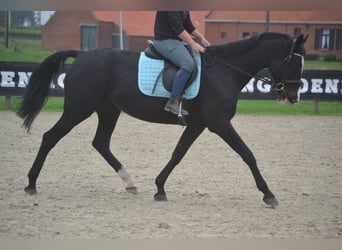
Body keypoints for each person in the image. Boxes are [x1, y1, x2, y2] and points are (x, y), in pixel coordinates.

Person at [153, 11, 210, 116]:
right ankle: (173, 101)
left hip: (177, 40)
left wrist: (201, 38)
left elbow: (188, 25)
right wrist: (193, 44)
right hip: (164, 40)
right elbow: (177, 27)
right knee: (188, 64)